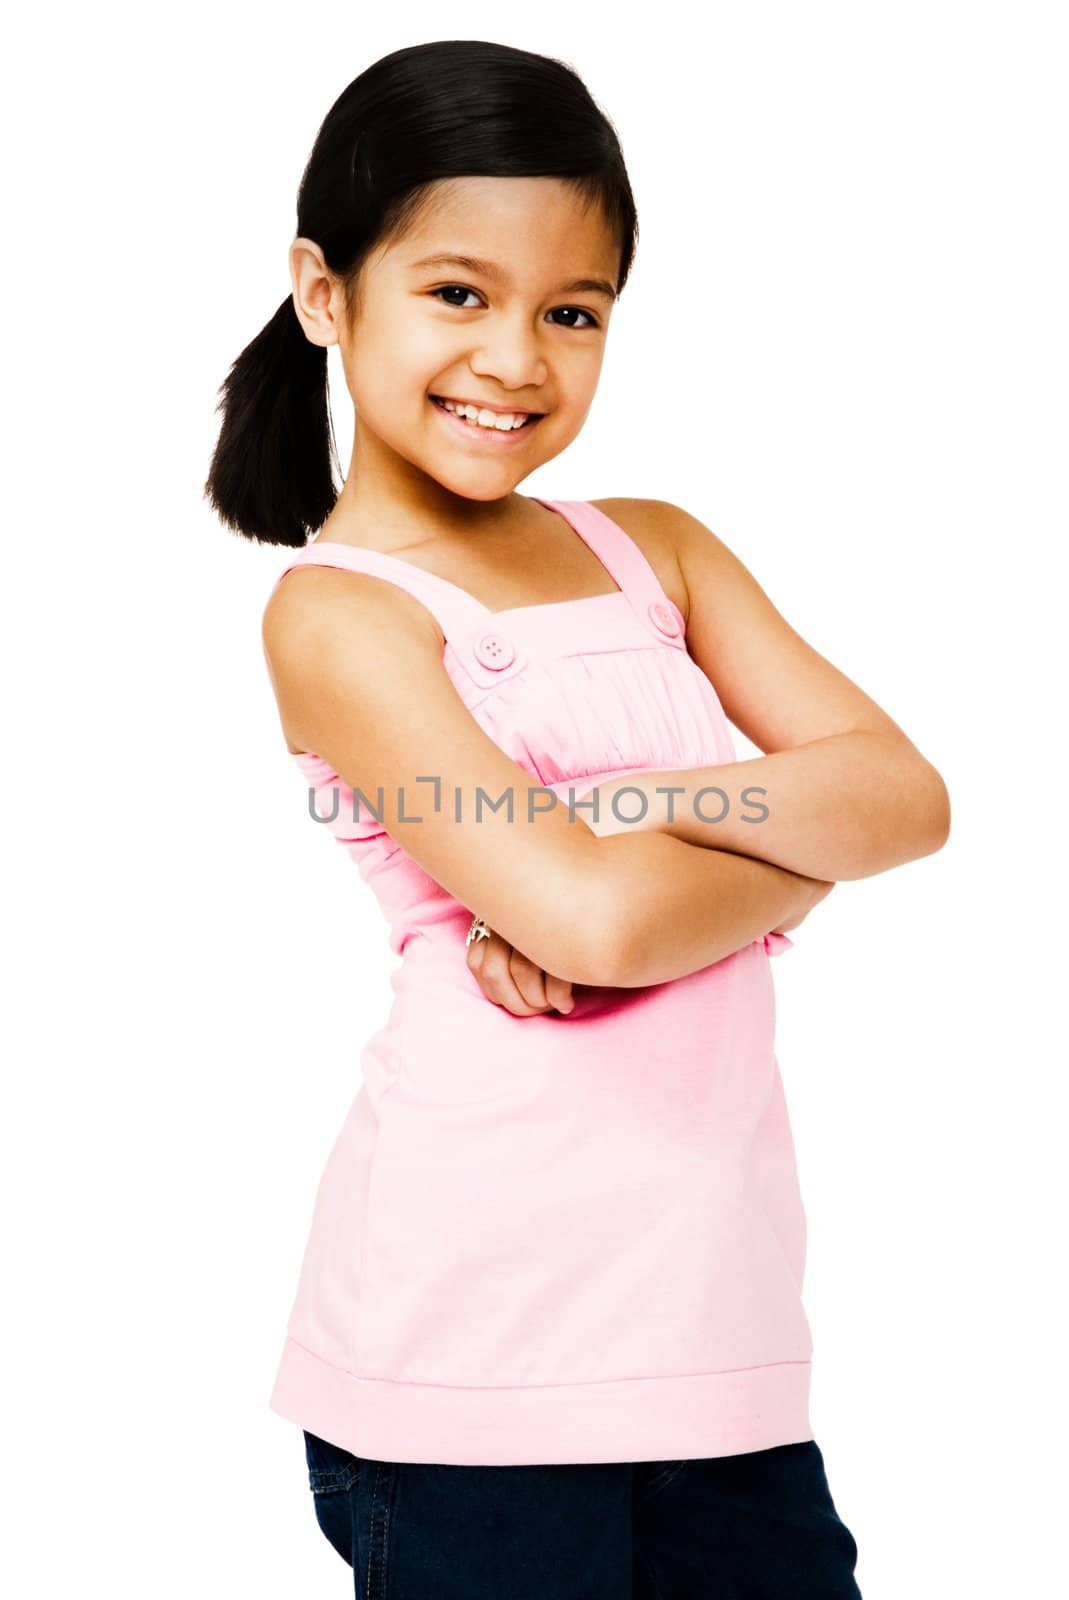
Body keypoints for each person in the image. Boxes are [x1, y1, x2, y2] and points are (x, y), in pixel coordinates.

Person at [205, 38, 950, 1599]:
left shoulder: (656, 551)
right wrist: (794, 851)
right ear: (325, 292)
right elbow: (592, 924)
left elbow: (907, 799)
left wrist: (628, 809)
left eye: (573, 311)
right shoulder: (341, 616)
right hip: (472, 1360)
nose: (517, 358)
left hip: (719, 1343)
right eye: (457, 294)